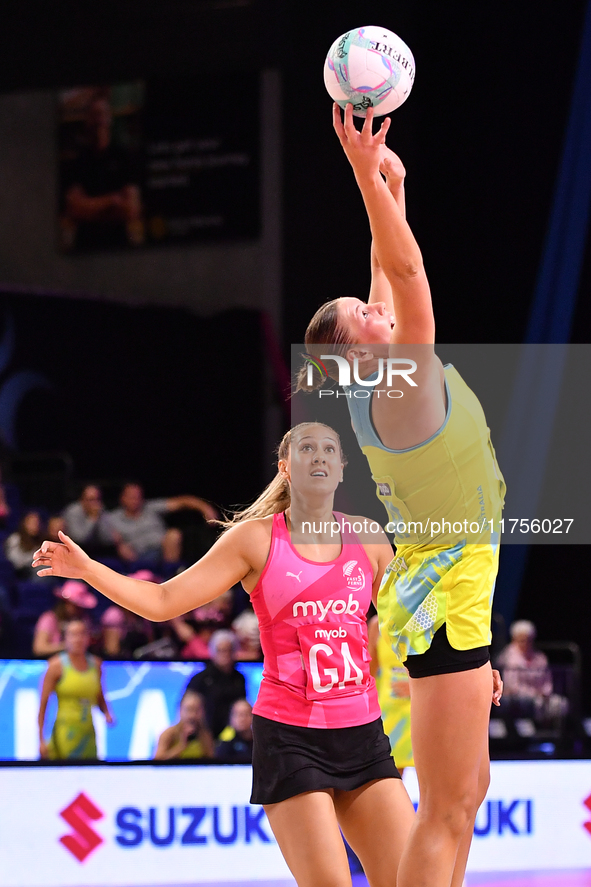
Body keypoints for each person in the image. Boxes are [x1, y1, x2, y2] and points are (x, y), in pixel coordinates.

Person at [33, 422, 417, 887]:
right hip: (292, 739)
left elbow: (409, 626)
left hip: (364, 736)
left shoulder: (369, 538)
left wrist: (473, 670)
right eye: (306, 448)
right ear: (285, 468)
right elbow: (161, 602)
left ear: (341, 468)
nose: (318, 455)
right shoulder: (254, 540)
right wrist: (89, 569)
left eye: (329, 449)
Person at [299, 104, 505, 887]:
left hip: (451, 587)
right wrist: (360, 167)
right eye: (363, 317)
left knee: (466, 793)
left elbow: (385, 275)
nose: (374, 305)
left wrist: (392, 188)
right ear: (361, 351)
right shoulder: (402, 386)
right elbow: (408, 276)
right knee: (446, 805)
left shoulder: (374, 382)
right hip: (446, 591)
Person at [61, 92, 144, 251]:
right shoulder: (77, 162)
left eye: (103, 114)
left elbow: (131, 210)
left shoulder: (124, 158)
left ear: (110, 119)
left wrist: (89, 207)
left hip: (119, 248)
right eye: (94, 115)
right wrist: (112, 201)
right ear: (87, 121)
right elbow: (74, 210)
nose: (99, 120)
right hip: (85, 250)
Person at [38, 618, 113, 759]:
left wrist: (107, 713)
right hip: (65, 731)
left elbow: (99, 695)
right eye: (73, 634)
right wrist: (41, 739)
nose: (78, 639)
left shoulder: (96, 664)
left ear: (88, 638)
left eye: (82, 634)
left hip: (88, 731)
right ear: (65, 638)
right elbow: (43, 704)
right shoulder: (56, 666)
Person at [107, 482, 218, 565]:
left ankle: (171, 573)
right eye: (131, 497)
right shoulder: (113, 518)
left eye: (138, 496)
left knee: (173, 534)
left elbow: (182, 502)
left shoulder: (151, 507)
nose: (135, 500)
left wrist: (205, 508)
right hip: (136, 557)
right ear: (122, 498)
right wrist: (120, 545)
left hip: (161, 552)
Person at [368, 614, 413, 775]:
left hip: (420, 706)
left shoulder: (427, 618)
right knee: (391, 775)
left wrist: (418, 686)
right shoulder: (377, 624)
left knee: (430, 778)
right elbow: (368, 674)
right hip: (388, 710)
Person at [186, 630, 247, 738]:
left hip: (232, 736)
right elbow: (188, 706)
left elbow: (242, 706)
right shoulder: (200, 678)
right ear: (213, 652)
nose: (225, 655)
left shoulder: (239, 678)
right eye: (221, 651)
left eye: (228, 650)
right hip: (204, 734)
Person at [33, 580, 97, 657]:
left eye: (80, 606)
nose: (78, 609)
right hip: (52, 660)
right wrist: (68, 646)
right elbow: (39, 648)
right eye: (75, 605)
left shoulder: (84, 619)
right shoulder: (48, 619)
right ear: (65, 603)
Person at [154, 689, 214, 760]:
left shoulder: (204, 735)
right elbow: (157, 761)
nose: (192, 715)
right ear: (180, 711)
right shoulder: (169, 734)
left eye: (196, 710)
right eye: (189, 710)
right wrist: (181, 747)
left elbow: (211, 762)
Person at [62, 485, 118, 555]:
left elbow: (107, 540)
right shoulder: (73, 512)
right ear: (82, 500)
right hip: (76, 551)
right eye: (91, 500)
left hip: (99, 551)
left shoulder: (102, 511)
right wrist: (92, 519)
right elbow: (79, 539)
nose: (94, 504)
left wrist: (99, 518)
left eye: (97, 499)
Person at [4, 510, 44, 577]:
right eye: (32, 523)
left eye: (37, 523)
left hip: (34, 573)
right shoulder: (14, 539)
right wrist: (31, 561)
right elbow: (15, 563)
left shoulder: (41, 541)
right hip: (18, 574)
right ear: (24, 523)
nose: (35, 526)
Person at [215, 698, 254, 763]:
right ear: (231, 718)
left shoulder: (259, 741)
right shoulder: (225, 740)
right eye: (238, 715)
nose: (242, 719)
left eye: (246, 714)